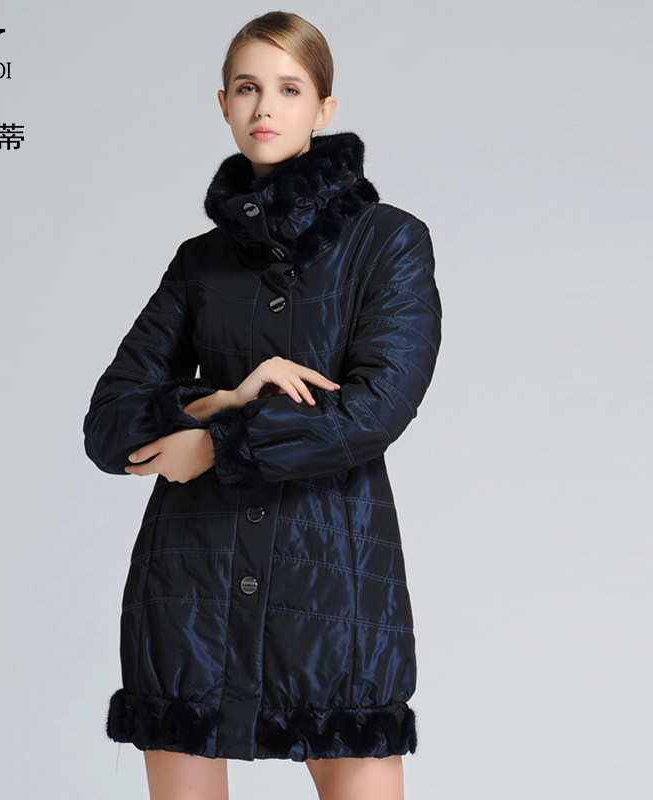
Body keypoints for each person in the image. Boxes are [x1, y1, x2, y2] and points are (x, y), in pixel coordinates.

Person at [83, 11, 441, 800]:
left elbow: (376, 409)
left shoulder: (388, 243)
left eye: (289, 88)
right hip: (190, 585)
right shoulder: (200, 263)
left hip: (333, 584)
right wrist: (223, 398)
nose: (265, 107)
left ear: (324, 107)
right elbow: (110, 422)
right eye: (247, 88)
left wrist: (216, 444)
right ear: (223, 105)